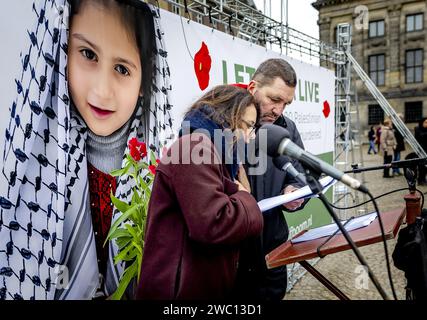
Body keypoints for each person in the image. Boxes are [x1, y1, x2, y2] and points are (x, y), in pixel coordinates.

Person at [0, 0, 173, 300]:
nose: (101, 90)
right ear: (60, 51)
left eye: (122, 68)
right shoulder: (31, 165)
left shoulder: (158, 169)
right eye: (88, 54)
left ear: (145, 81)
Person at [136, 85, 263, 300]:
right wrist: (246, 199)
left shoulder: (214, 152)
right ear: (228, 117)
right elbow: (213, 223)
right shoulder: (195, 147)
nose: (250, 138)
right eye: (249, 126)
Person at [233, 58, 307, 301]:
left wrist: (295, 191)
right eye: (274, 100)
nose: (279, 110)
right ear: (252, 88)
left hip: (273, 255)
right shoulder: (224, 121)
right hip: (234, 259)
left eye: (285, 103)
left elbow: (302, 174)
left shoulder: (288, 128)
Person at [415, 117, 427, 185]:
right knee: (421, 166)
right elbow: (420, 136)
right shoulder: (417, 129)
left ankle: (424, 178)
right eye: (425, 122)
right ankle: (420, 180)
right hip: (421, 150)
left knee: (426, 166)